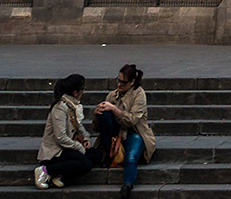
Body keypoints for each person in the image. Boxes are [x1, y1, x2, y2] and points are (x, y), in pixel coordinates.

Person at [90, 64, 156, 199]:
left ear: (132, 82)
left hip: (134, 132)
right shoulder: (112, 95)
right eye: (118, 80)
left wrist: (114, 109)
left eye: (123, 82)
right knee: (104, 114)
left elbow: (131, 120)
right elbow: (97, 128)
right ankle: (107, 153)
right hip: (115, 133)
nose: (119, 85)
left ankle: (127, 184)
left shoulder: (139, 94)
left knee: (131, 157)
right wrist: (96, 116)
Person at [34, 73, 93, 189]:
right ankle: (45, 170)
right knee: (85, 164)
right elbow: (60, 137)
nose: (83, 92)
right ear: (75, 92)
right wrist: (78, 147)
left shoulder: (73, 106)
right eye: (82, 89)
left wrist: (86, 138)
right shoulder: (60, 107)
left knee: (95, 154)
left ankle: (59, 174)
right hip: (55, 152)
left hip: (67, 148)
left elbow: (79, 126)